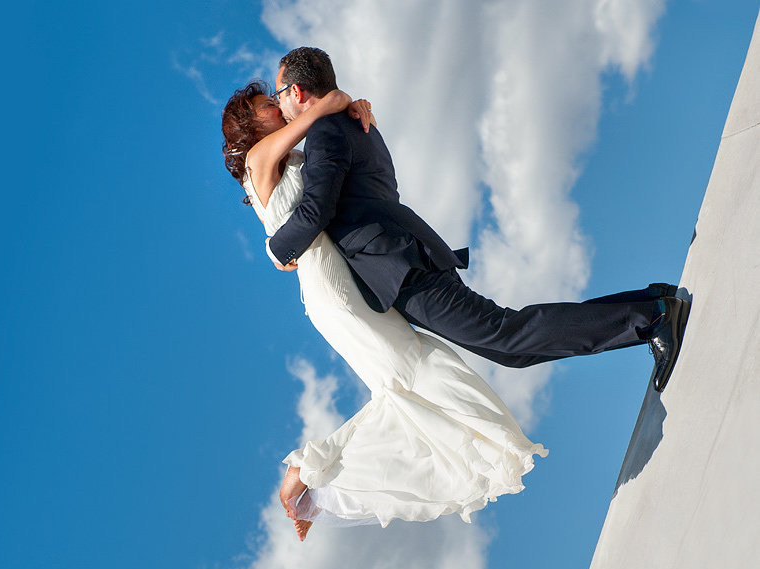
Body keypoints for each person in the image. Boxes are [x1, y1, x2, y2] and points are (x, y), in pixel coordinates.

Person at [222, 82, 547, 542]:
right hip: (329, 288)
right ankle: (305, 473)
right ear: (248, 127)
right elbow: (325, 106)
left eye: (275, 100)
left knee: (409, 372)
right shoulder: (258, 160)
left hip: (341, 277)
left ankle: (311, 477)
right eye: (265, 106)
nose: (277, 106)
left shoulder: (289, 155)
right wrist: (341, 103)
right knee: (404, 373)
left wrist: (351, 113)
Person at [266, 47, 690, 395]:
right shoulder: (353, 123)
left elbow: (316, 210)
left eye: (279, 94)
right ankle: (646, 301)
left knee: (506, 335)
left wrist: (276, 248)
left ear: (297, 91)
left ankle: (652, 316)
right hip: (407, 257)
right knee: (509, 347)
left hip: (402, 268)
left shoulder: (325, 132)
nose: (279, 104)